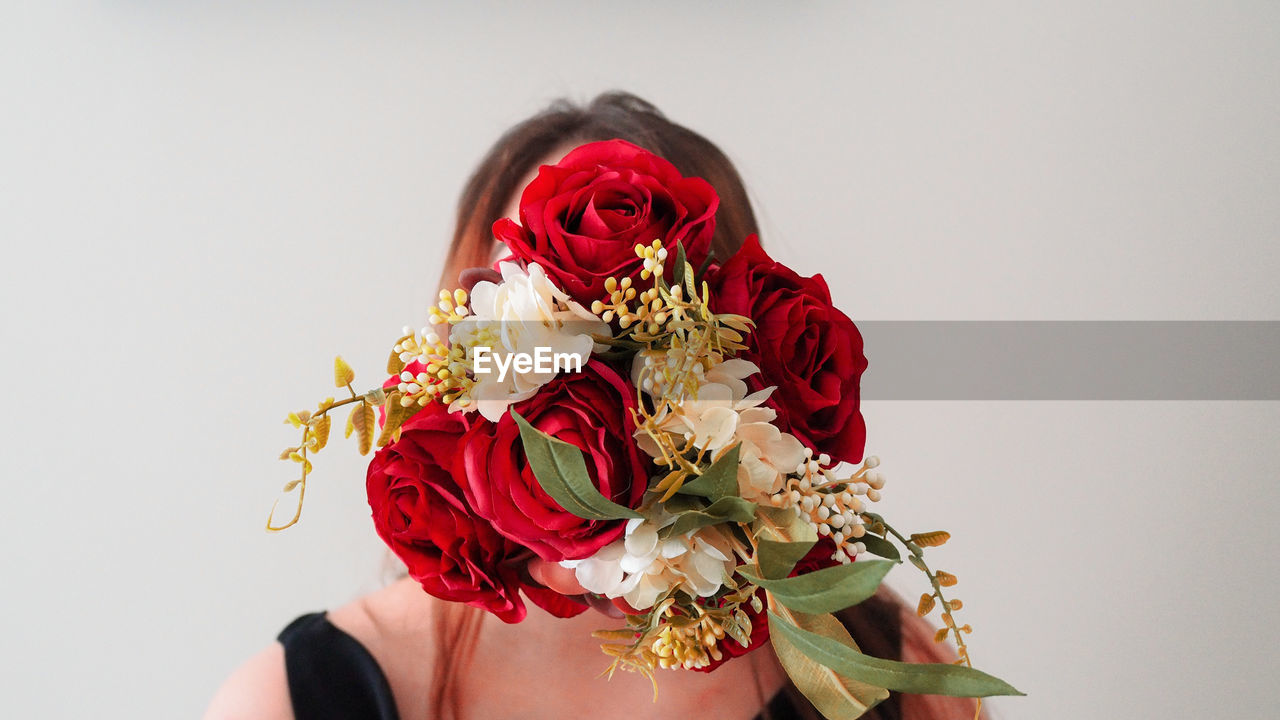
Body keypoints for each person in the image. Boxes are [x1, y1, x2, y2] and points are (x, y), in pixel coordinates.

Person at [204, 91, 984, 720]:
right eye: (527, 306)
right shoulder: (297, 698)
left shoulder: (882, 670)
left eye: (632, 316)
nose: (588, 366)